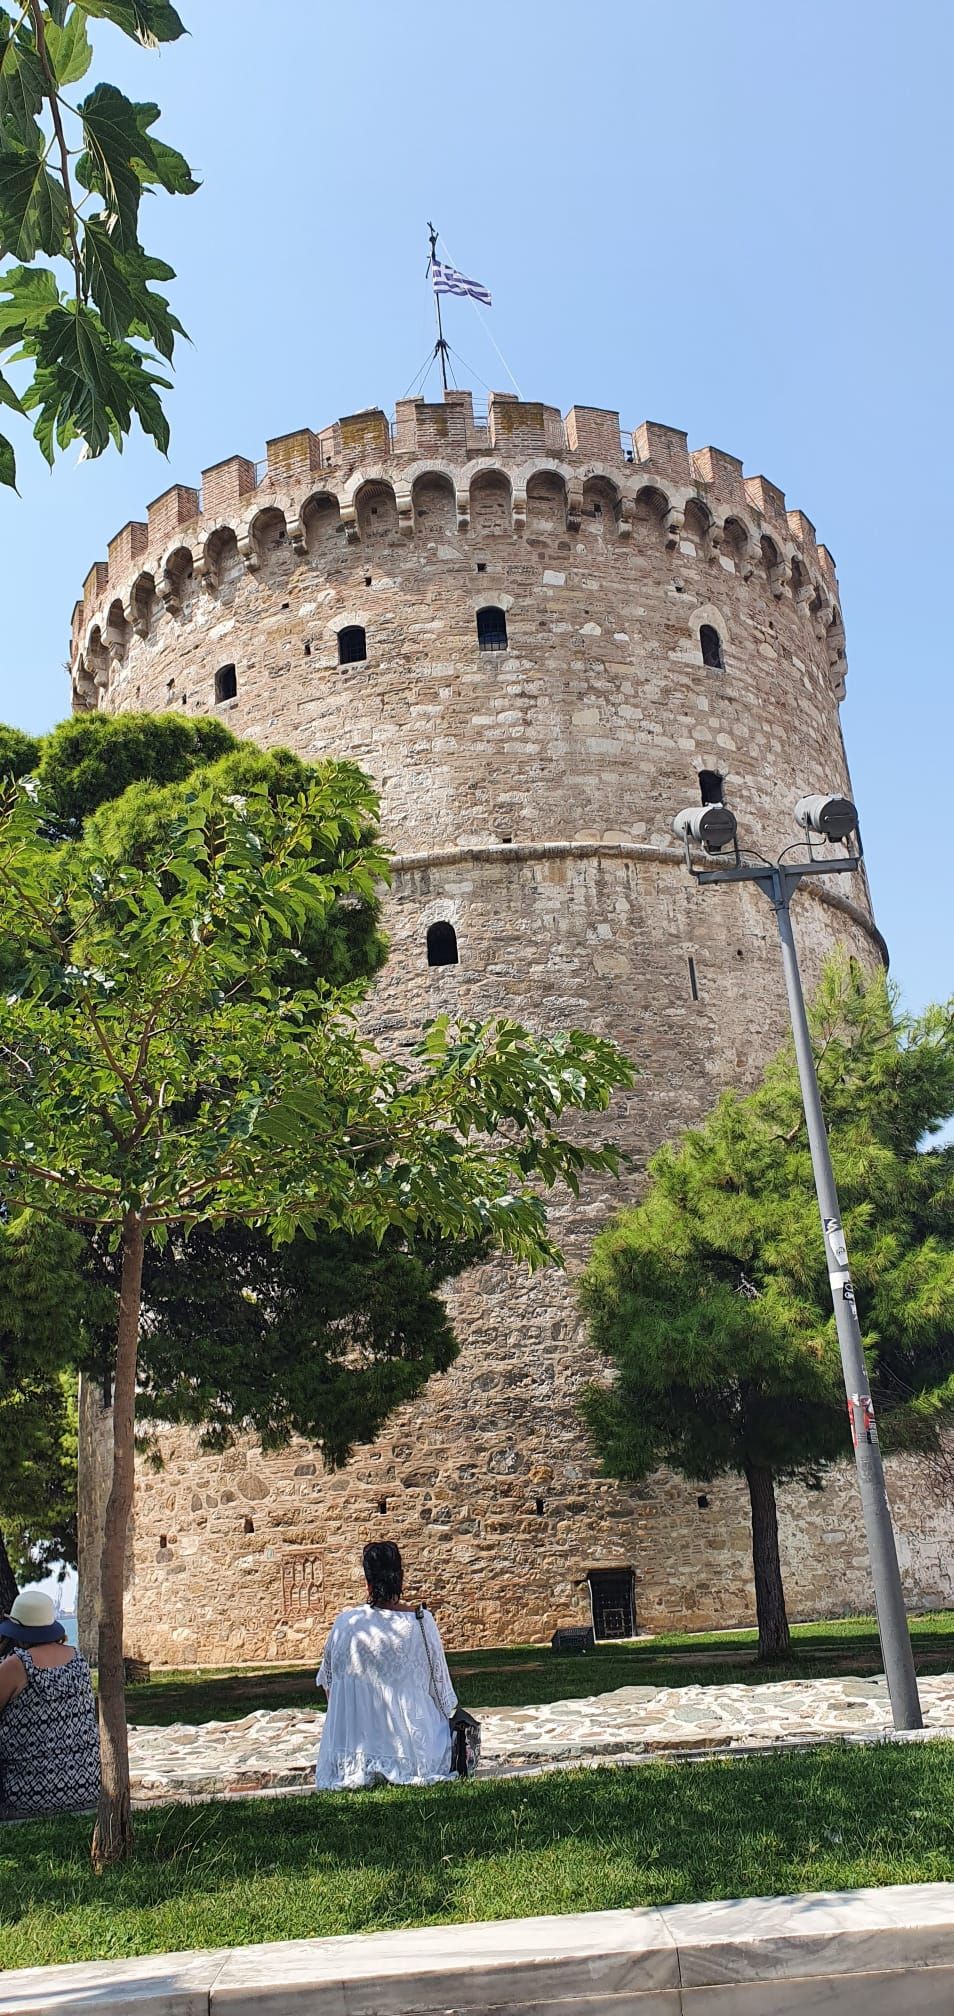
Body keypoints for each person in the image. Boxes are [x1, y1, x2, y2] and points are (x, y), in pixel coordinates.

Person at [315, 1541, 458, 1790]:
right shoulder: (421, 1622)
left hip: (351, 1753)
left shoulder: (344, 1623)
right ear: (400, 1578)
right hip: (414, 1753)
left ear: (367, 1582)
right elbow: (443, 1695)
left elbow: (329, 1686)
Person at [0, 1589, 101, 1819]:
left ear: (17, 1631)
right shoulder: (77, 1659)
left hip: (29, 1795)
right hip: (86, 1787)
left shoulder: (17, 1666)